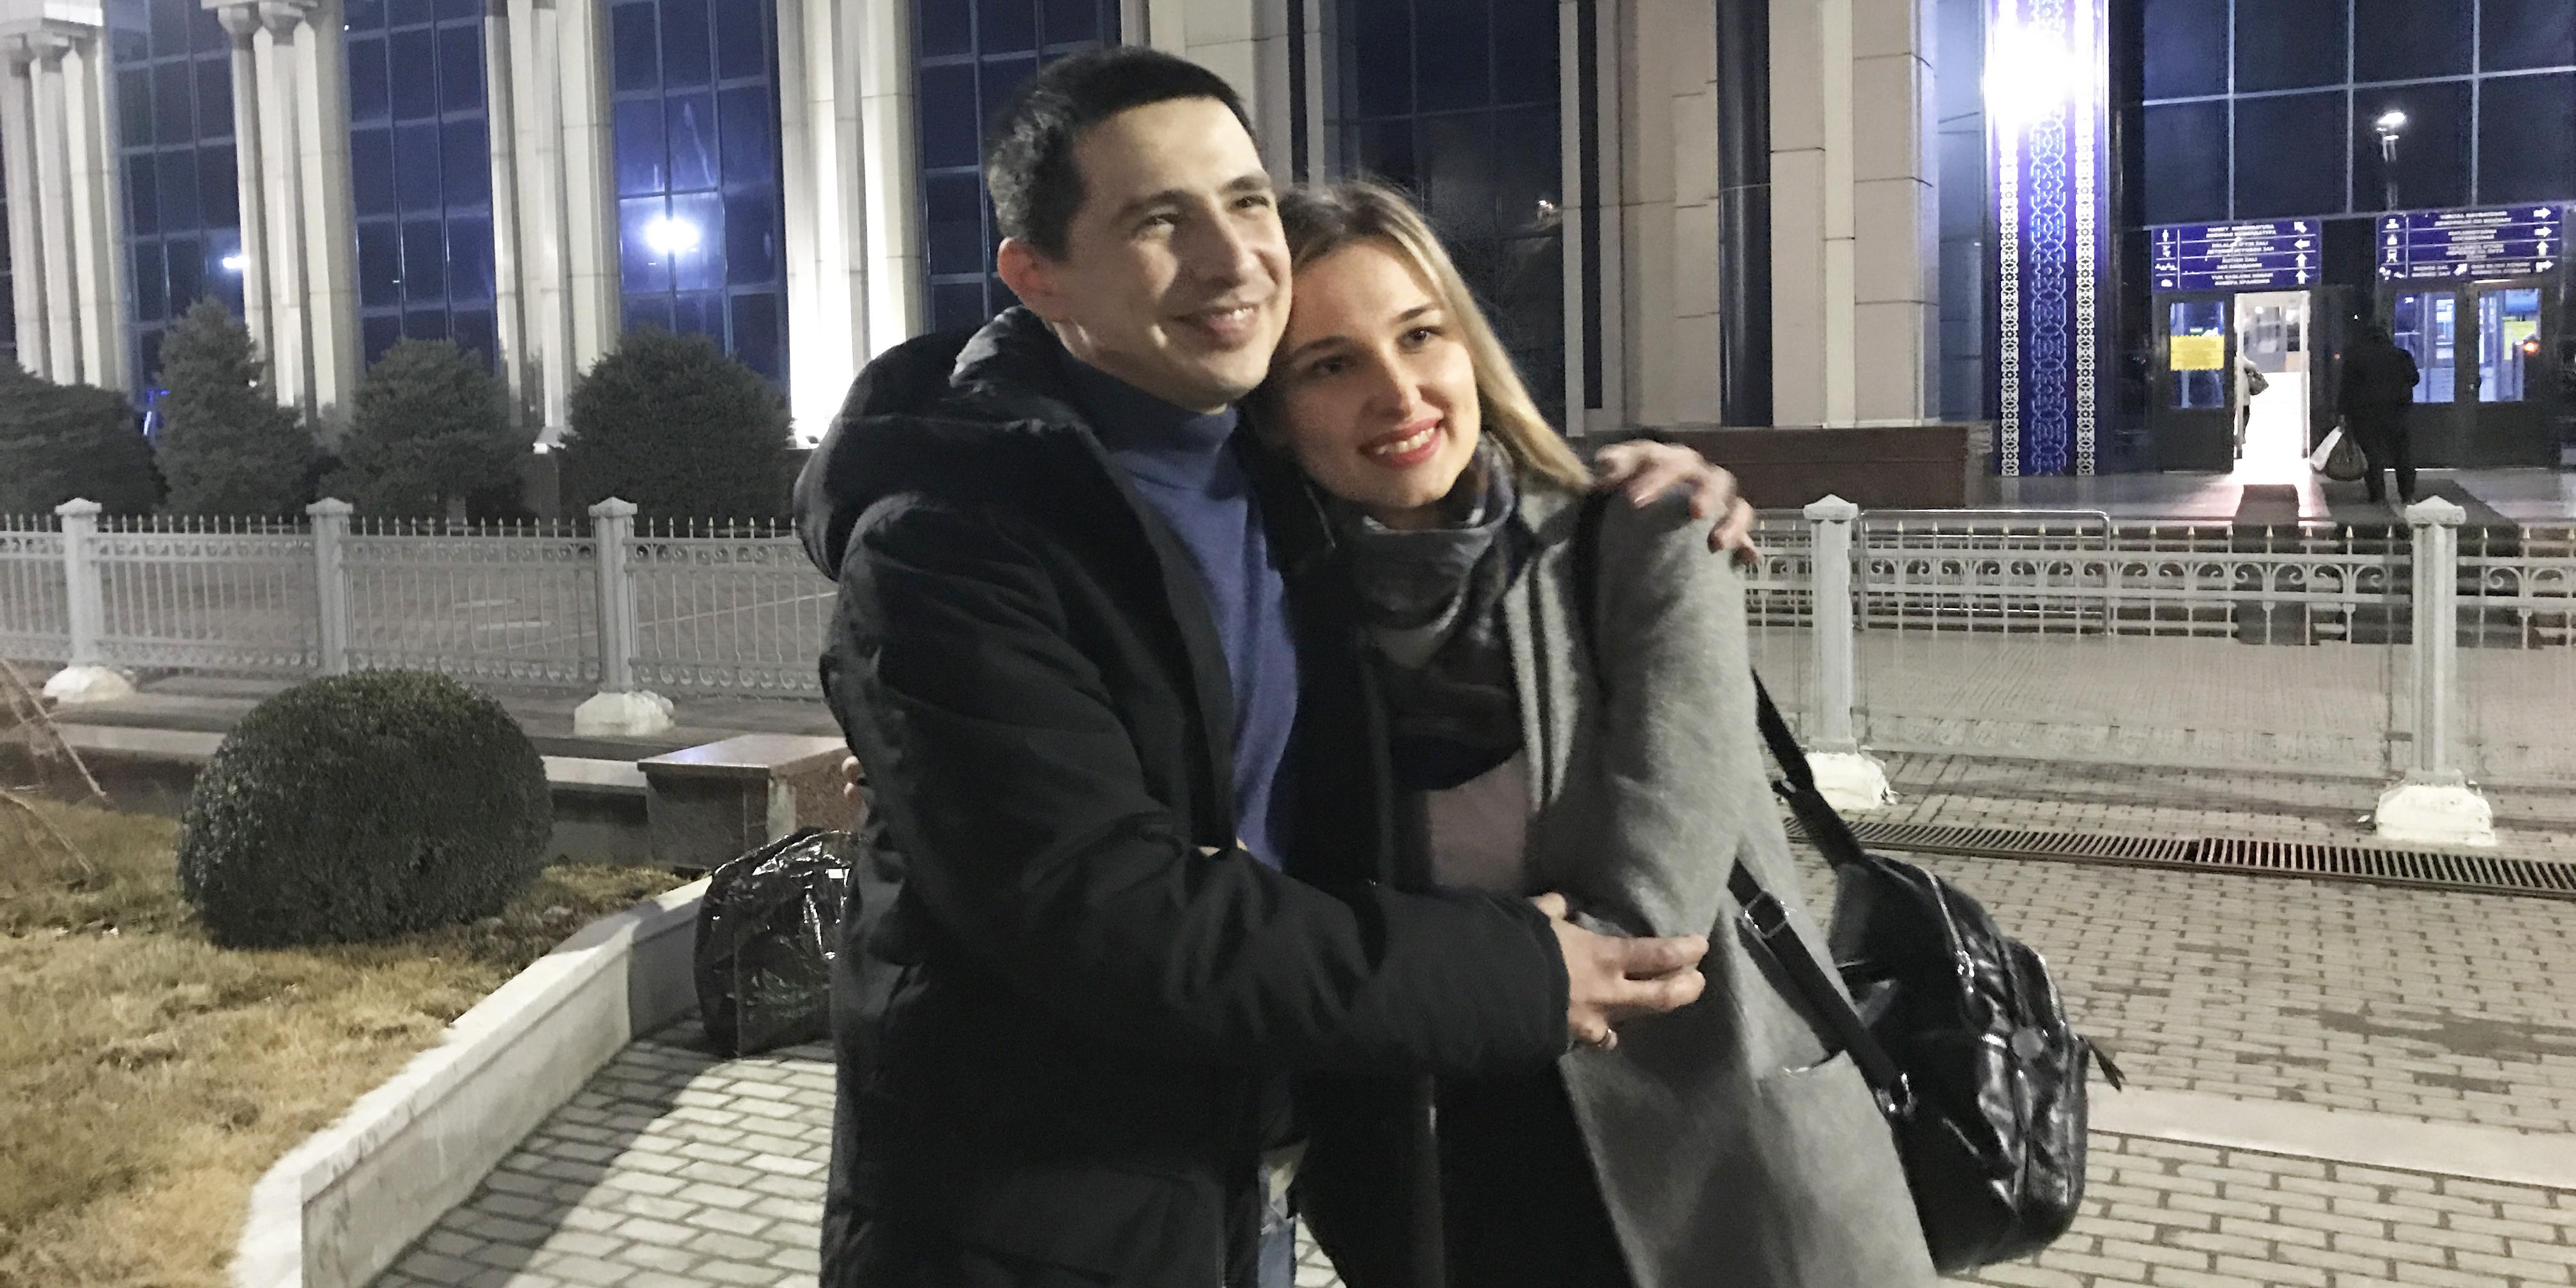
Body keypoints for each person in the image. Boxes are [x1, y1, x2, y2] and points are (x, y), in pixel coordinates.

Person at [792, 47, 1755, 1288]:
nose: (1231, 257)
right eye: (1159, 220)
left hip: (1250, 1188)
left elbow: (1434, 485)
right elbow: (1108, 912)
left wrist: (1644, 483)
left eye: (1246, 200)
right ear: (1038, 277)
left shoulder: (1272, 479)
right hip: (1032, 1221)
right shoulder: (952, 540)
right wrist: (1512, 971)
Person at [1252, 179, 1937, 1288]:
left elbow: (1650, 925)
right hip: (1435, 1182)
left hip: (1712, 1159)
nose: (1399, 391)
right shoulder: (1277, 609)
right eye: (1330, 365)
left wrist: (1400, 972)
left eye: (1420, 335)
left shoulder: (1641, 532)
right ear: (1272, 412)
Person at [2337, 322, 2421, 505]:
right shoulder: (2401, 356)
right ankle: (2407, 494)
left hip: (2366, 413)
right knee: (2402, 455)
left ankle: (2378, 495)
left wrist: (2342, 412)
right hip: (2397, 411)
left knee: (2373, 455)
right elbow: (2415, 378)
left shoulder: (2356, 358)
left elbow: (2347, 388)